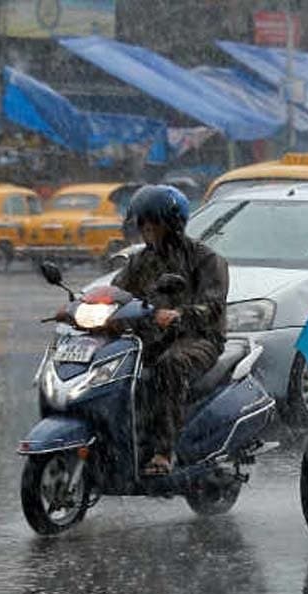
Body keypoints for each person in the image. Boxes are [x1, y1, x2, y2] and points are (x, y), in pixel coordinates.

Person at [112, 185, 229, 475]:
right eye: (141, 221)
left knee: (169, 367)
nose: (146, 227)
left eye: (153, 220)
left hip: (198, 339)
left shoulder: (206, 259)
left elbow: (213, 307)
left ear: (173, 223)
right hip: (151, 337)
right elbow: (116, 291)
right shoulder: (140, 260)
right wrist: (79, 306)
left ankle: (164, 451)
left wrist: (179, 314)